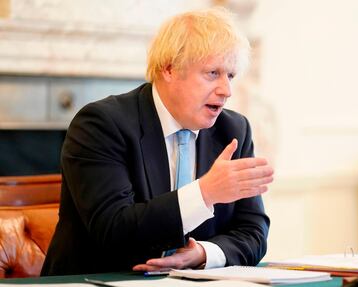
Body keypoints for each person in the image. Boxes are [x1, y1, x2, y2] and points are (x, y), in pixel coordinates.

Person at [41, 7, 274, 276]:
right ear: (170, 69)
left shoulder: (233, 129)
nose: (226, 90)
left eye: (230, 76)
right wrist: (205, 193)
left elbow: (254, 231)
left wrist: (203, 253)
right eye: (212, 73)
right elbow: (113, 229)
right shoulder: (101, 124)